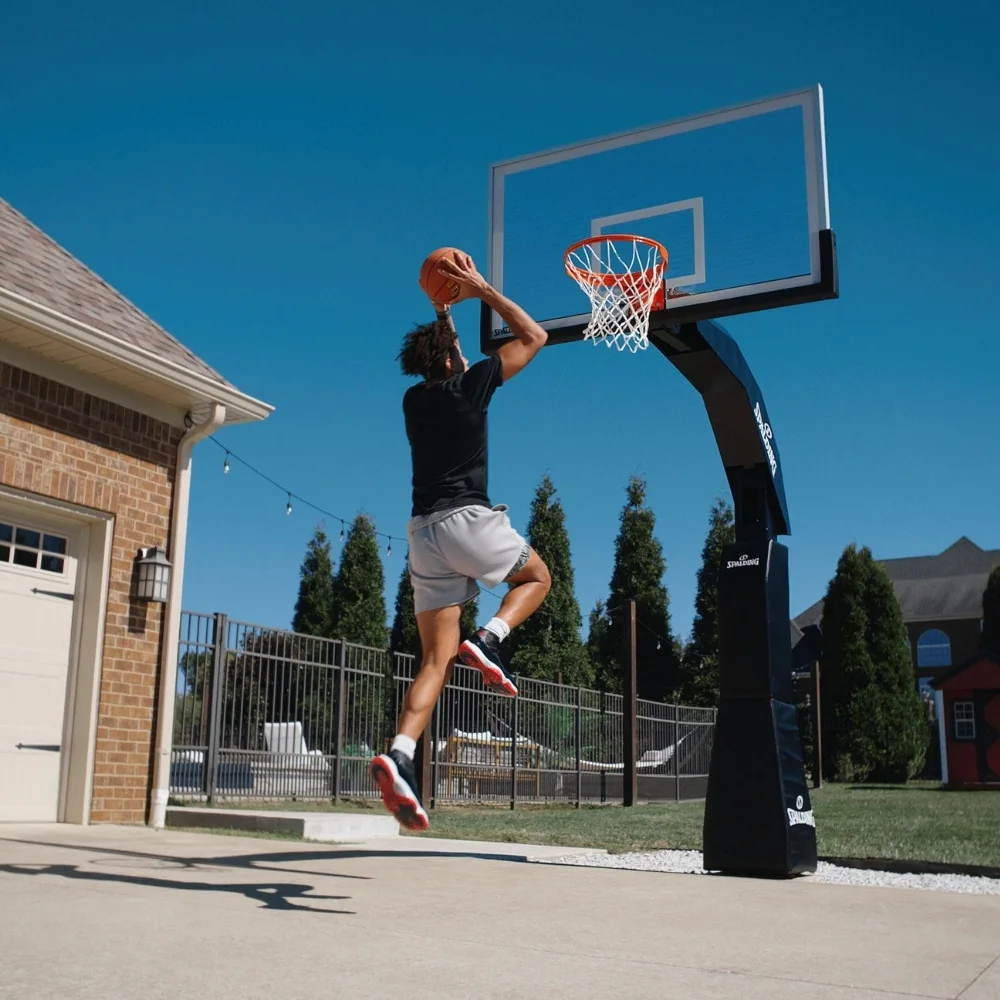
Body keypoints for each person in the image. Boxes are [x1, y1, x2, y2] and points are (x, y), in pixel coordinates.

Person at [369, 252, 551, 831]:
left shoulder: (414, 402)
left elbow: (449, 357)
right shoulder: (472, 387)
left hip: (423, 535)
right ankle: (490, 639)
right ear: (453, 359)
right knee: (538, 578)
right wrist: (483, 289)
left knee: (433, 660)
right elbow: (535, 335)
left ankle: (400, 753)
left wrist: (443, 312)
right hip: (465, 520)